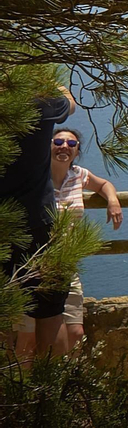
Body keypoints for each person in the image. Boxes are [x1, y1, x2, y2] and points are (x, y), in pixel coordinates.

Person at [15, 125, 121, 358]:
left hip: (66, 265)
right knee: (27, 338)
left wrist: (112, 200)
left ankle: (62, 380)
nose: (64, 147)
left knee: (75, 332)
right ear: (48, 146)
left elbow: (103, 184)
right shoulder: (35, 178)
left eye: (71, 144)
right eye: (58, 142)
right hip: (31, 264)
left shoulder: (78, 175)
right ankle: (26, 383)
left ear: (77, 151)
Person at [1, 85, 76, 364]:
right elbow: (69, 103)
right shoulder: (38, 100)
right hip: (38, 223)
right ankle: (52, 386)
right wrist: (54, 84)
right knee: (50, 314)